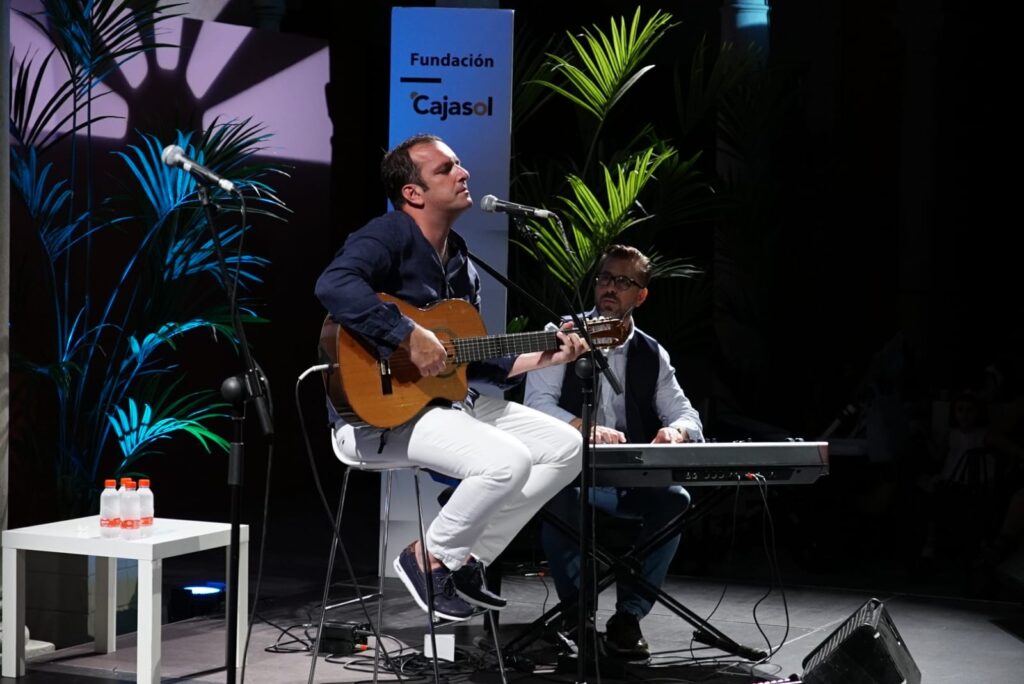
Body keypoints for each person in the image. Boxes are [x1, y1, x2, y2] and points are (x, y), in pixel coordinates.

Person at [314, 133, 587, 622]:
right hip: (376, 417)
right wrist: (405, 334)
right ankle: (427, 557)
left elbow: (472, 364)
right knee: (506, 460)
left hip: (444, 405)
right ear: (413, 193)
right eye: (446, 169)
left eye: (460, 165)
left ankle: (465, 559)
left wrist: (547, 357)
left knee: (567, 447)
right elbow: (334, 285)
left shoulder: (462, 262)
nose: (463, 174)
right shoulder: (388, 235)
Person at [524, 244, 704, 659]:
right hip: (572, 473)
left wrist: (676, 432)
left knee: (675, 500)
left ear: (640, 295)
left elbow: (685, 413)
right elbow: (537, 406)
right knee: (560, 496)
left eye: (623, 282)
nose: (609, 288)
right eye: (605, 278)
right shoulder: (563, 335)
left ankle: (628, 618)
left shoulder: (650, 352)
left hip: (627, 480)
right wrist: (586, 430)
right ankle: (577, 617)